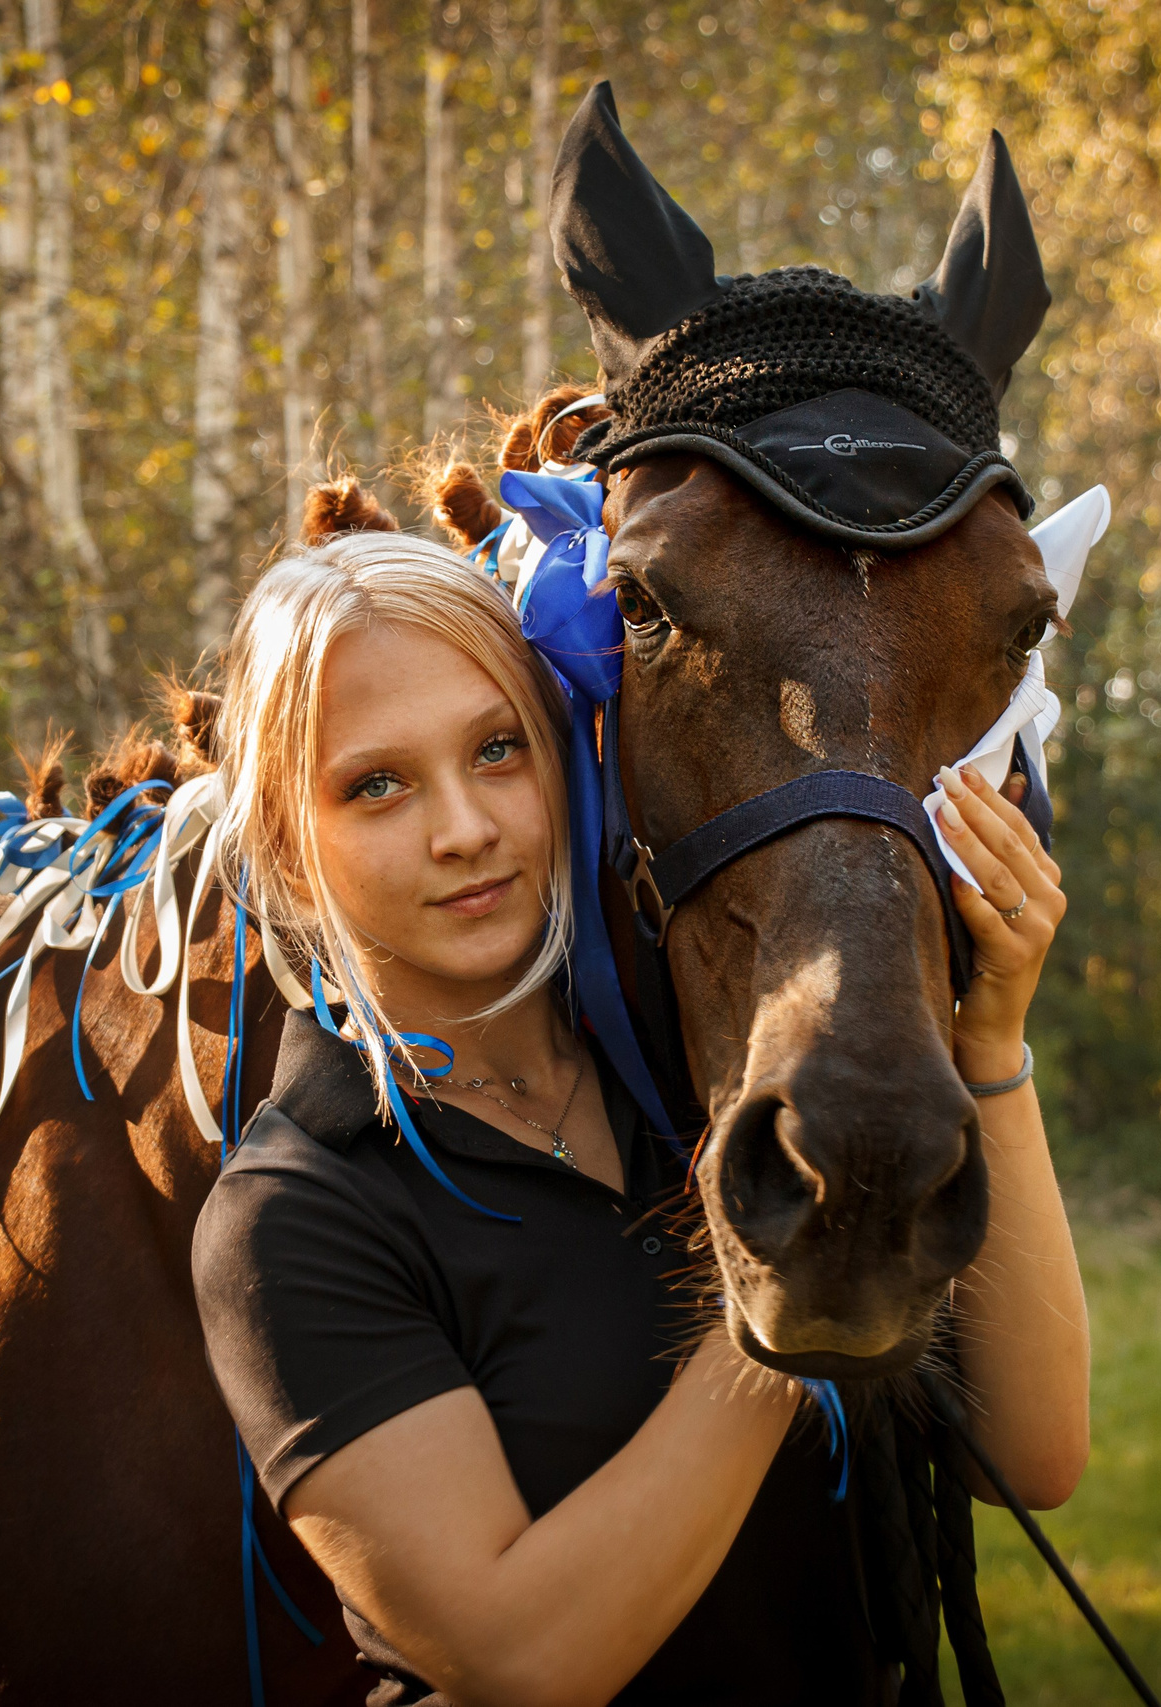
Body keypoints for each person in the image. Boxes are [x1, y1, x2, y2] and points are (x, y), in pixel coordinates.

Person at [191, 525, 1087, 1707]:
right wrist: (794, 1274)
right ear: (286, 845)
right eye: (377, 786)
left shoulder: (696, 1073)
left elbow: (1034, 1454)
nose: (463, 829)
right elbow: (521, 1661)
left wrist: (989, 1044)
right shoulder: (295, 1215)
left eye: (498, 749)